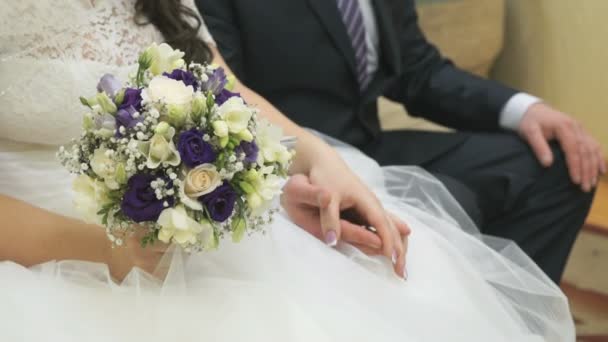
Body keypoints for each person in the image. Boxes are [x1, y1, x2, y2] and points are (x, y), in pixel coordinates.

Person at [0, 0, 573, 340]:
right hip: (48, 251)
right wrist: (114, 254)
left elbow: (223, 88)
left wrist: (317, 160)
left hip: (190, 231)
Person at [197, 0, 603, 284]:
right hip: (295, 171)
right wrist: (285, 171)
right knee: (447, 204)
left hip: (372, 149)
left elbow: (416, 69)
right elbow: (230, 97)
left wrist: (525, 110)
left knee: (558, 167)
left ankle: (508, 325)